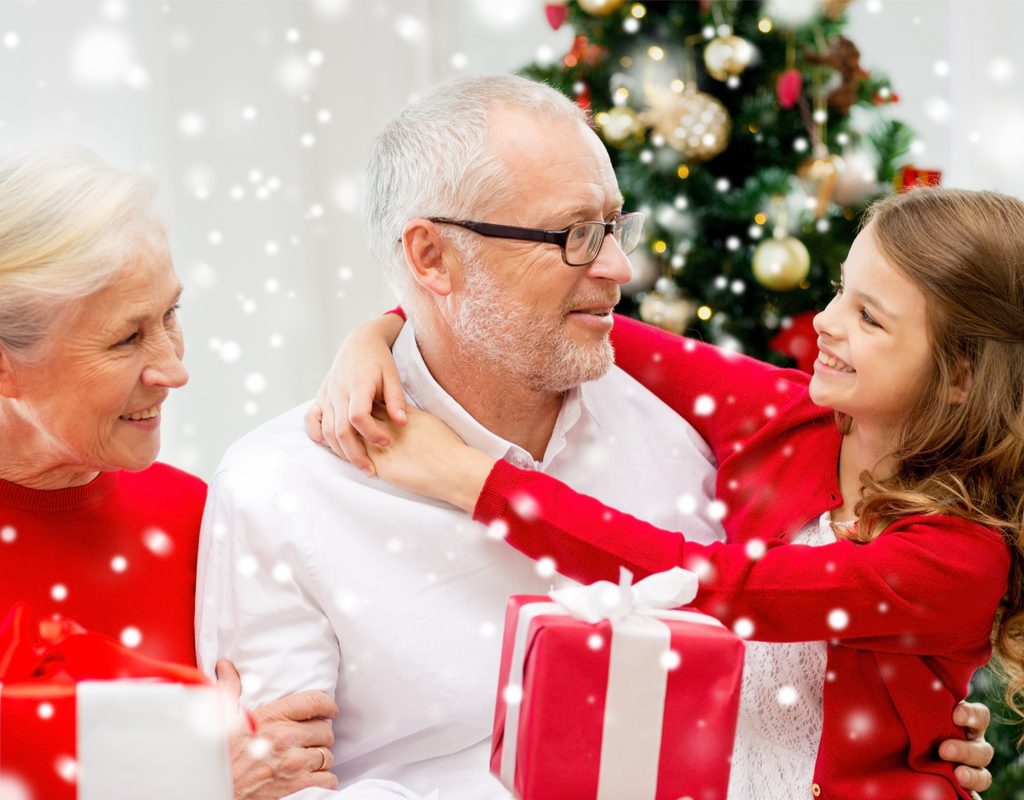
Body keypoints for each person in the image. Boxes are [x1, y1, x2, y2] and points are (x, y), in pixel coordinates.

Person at [313, 187, 1021, 799]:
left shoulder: (960, 559)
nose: (827, 322)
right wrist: (381, 331)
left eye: (870, 318)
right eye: (840, 289)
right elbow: (557, 319)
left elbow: (713, 587)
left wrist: (472, 480)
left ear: (961, 376)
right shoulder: (779, 415)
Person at [0, 145, 338, 800]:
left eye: (171, 316)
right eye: (126, 339)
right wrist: (192, 782)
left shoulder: (204, 518)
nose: (174, 370)